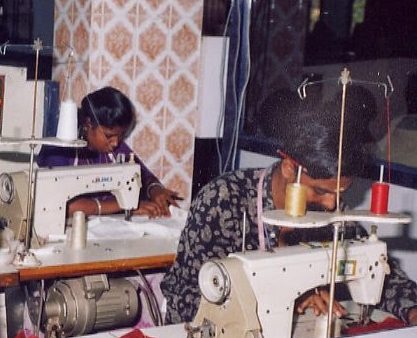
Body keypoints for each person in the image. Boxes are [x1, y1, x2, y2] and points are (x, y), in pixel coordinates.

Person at [160, 101, 417, 326]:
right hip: (204, 333)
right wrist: (286, 299)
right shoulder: (224, 200)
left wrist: (413, 309)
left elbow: (379, 271)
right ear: (288, 169)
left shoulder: (331, 214)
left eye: (339, 194)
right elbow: (188, 295)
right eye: (320, 191)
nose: (331, 204)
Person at [37, 86, 180, 218]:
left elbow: (143, 176)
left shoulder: (114, 149)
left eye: (121, 135)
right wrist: (125, 206)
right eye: (109, 135)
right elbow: (63, 204)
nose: (116, 142)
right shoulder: (57, 150)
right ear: (88, 124)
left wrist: (155, 189)